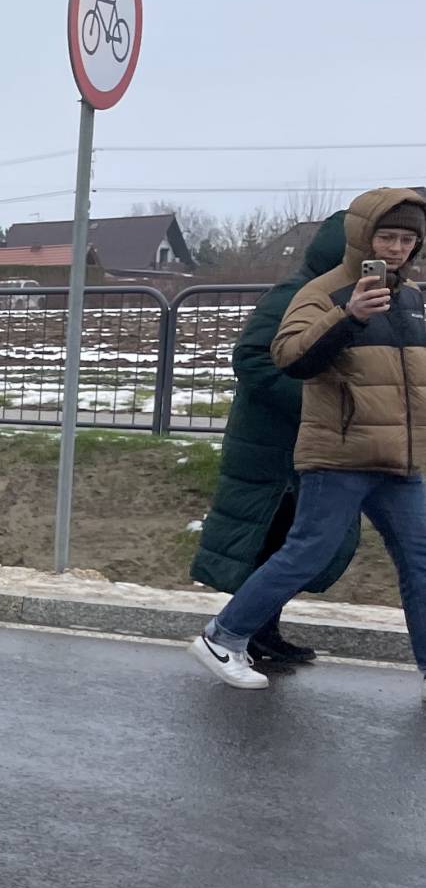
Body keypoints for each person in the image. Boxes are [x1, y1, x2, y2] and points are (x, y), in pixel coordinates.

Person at [192, 187, 426, 696]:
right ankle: (223, 636)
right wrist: (350, 317)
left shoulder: (412, 297)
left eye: (408, 240)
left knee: (420, 559)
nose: (397, 248)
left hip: (400, 459)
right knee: (306, 553)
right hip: (340, 454)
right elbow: (289, 357)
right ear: (363, 237)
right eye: (387, 236)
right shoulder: (320, 292)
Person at [189, 211, 361, 667]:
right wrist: (313, 404)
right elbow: (251, 358)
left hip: (307, 444)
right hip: (271, 444)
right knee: (271, 538)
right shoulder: (294, 294)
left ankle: (262, 630)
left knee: (289, 539)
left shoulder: (344, 297)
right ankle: (245, 633)